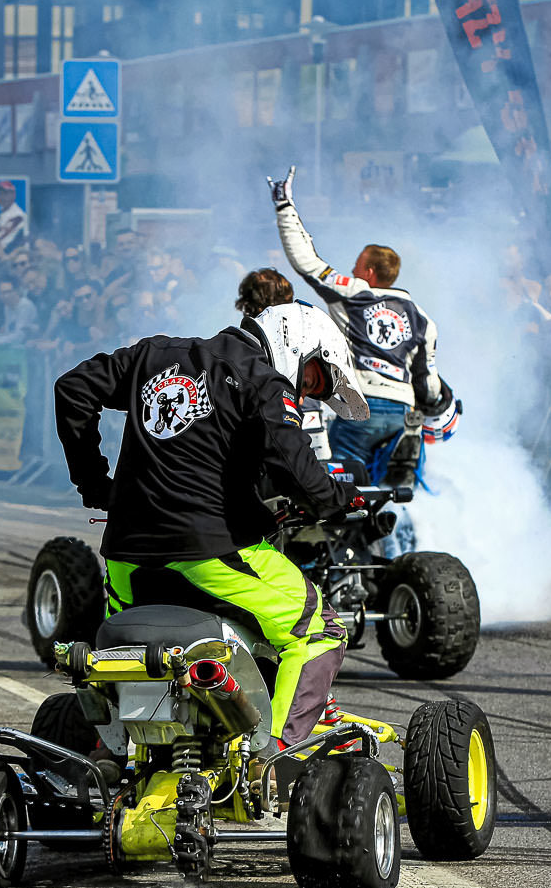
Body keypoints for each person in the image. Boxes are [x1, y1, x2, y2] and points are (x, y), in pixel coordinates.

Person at [53, 268, 368, 747]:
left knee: (127, 653)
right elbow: (296, 468)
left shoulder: (153, 354)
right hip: (210, 552)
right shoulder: (261, 379)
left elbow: (72, 388)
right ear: (299, 345)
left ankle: (111, 753)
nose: (306, 392)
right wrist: (338, 499)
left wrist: (95, 484)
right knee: (319, 631)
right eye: (313, 378)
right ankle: (274, 757)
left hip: (125, 557)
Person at [268, 165, 458, 476]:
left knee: (344, 486)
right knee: (396, 488)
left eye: (356, 266)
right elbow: (428, 382)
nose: (352, 270)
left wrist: (284, 206)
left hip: (360, 405)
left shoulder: (354, 293)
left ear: (369, 272)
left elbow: (307, 263)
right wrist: (434, 405)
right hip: (401, 412)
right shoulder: (422, 318)